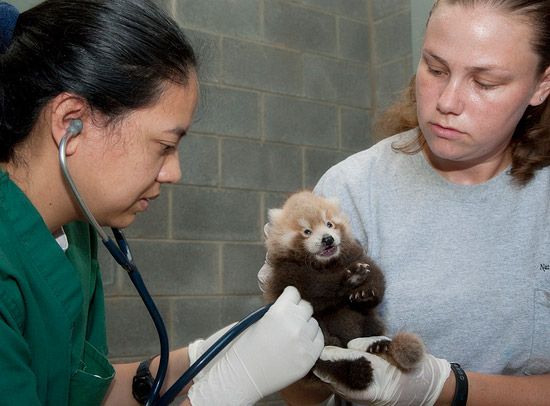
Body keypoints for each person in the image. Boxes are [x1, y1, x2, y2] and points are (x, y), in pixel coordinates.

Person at [0, 0, 324, 405]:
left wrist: (205, 356)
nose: (174, 172)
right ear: (71, 123)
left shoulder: (76, 235)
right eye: (165, 146)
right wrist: (222, 392)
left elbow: (80, 391)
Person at [262, 0, 550, 404]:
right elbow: (301, 392)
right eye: (435, 68)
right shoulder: (351, 190)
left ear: (541, 84)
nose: (447, 101)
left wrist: (447, 389)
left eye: (484, 83)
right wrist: (288, 333)